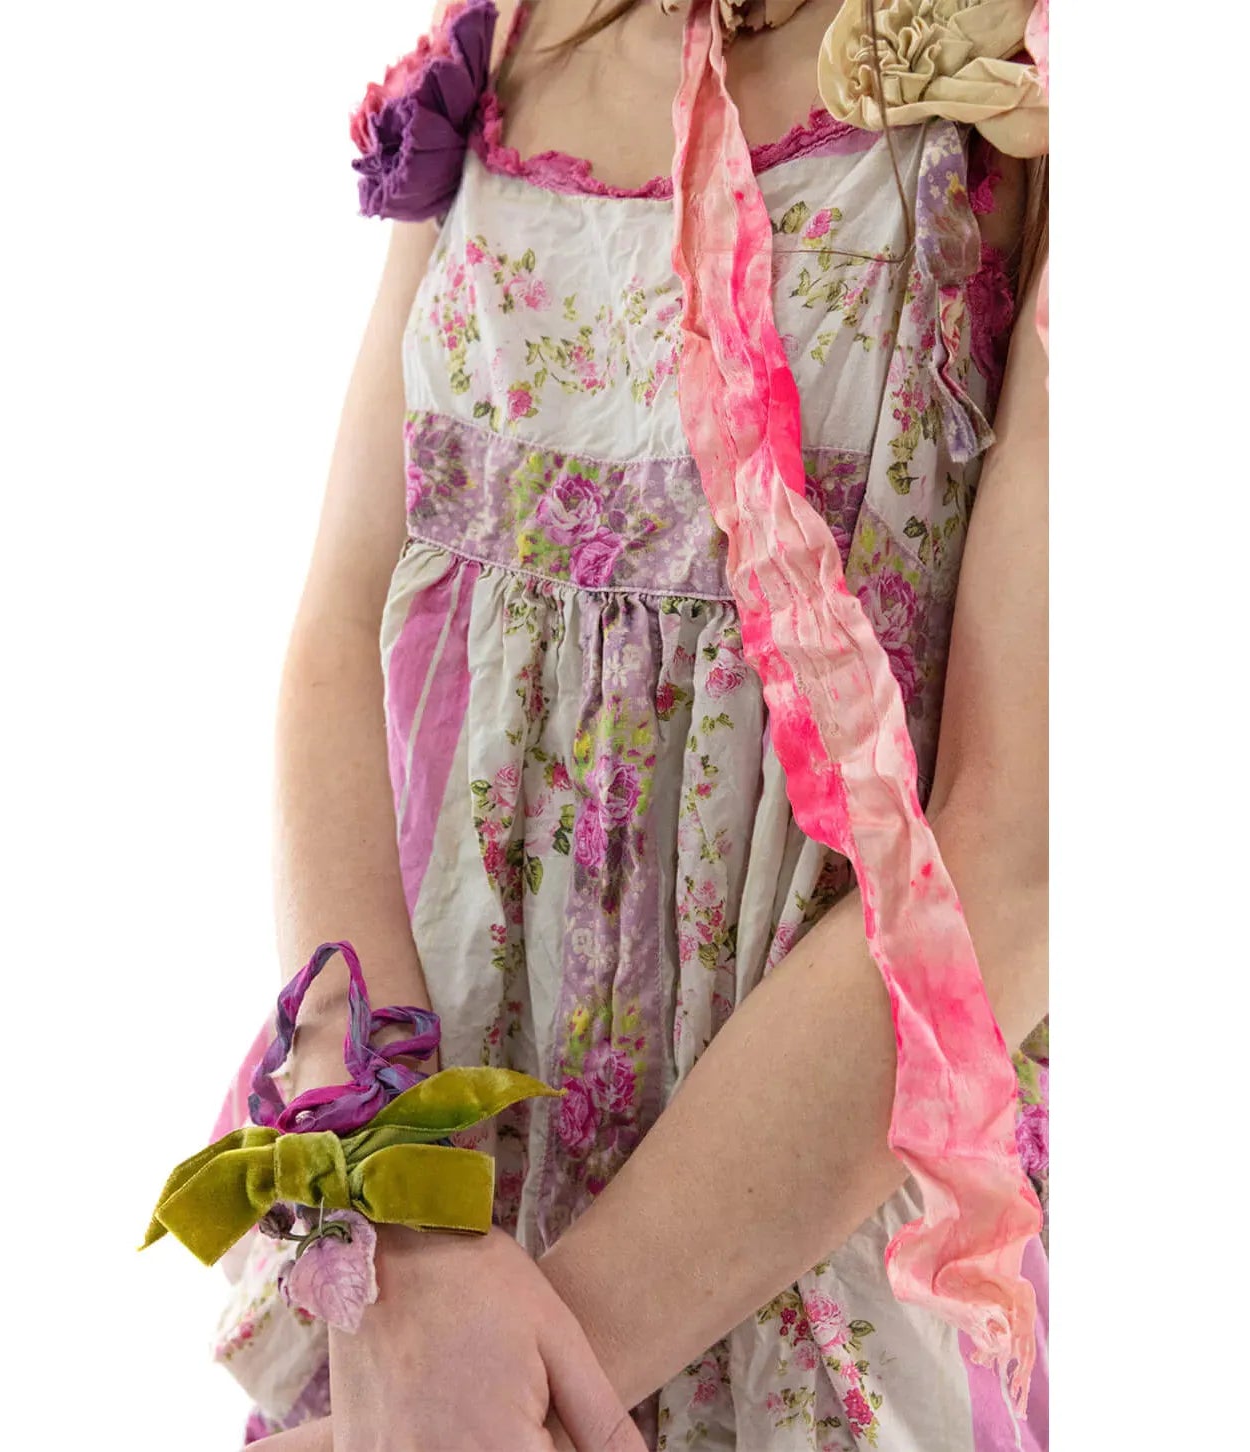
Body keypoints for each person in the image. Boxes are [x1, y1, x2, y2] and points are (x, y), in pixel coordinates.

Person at [210, 2, 1049, 1447]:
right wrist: (397, 1201)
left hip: (779, 1243)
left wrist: (521, 1387)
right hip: (446, 1236)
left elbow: (1020, 849)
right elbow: (338, 631)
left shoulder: (1032, 101)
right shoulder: (505, 44)